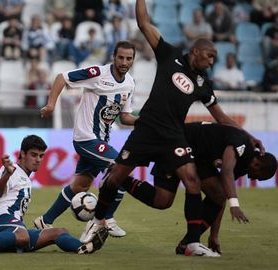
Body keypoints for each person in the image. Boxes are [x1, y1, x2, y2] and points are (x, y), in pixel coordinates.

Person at [80, 0, 264, 257]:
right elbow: (144, 23)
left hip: (174, 135)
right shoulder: (170, 55)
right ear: (196, 51)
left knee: (191, 182)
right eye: (209, 56)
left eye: (214, 58)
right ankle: (97, 220)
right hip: (146, 130)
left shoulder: (203, 84)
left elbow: (222, 117)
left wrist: (250, 136)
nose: (212, 61)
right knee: (116, 178)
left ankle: (190, 242)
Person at [119, 122, 277, 254]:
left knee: (214, 194)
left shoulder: (243, 165)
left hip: (199, 158)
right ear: (257, 163)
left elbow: (219, 196)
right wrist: (234, 204)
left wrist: (214, 236)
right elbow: (227, 171)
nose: (251, 178)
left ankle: (188, 243)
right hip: (180, 142)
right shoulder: (242, 145)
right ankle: (121, 179)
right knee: (163, 200)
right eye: (256, 176)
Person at [35, 41, 137, 238]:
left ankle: (45, 220)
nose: (124, 62)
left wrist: (144, 122)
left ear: (133, 60)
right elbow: (62, 77)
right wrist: (50, 105)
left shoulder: (130, 83)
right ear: (113, 57)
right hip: (86, 138)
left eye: (129, 58)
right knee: (120, 169)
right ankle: (107, 219)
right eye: (121, 57)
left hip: (101, 141)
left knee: (80, 185)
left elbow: (124, 117)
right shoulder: (98, 73)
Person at [0, 135, 109, 255]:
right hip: (0, 220)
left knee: (59, 232)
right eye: (34, 155)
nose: (38, 160)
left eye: (41, 156)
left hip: (14, 227)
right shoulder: (12, 169)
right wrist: (7, 175)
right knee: (23, 236)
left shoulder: (26, 178)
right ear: (22, 154)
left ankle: (84, 247)